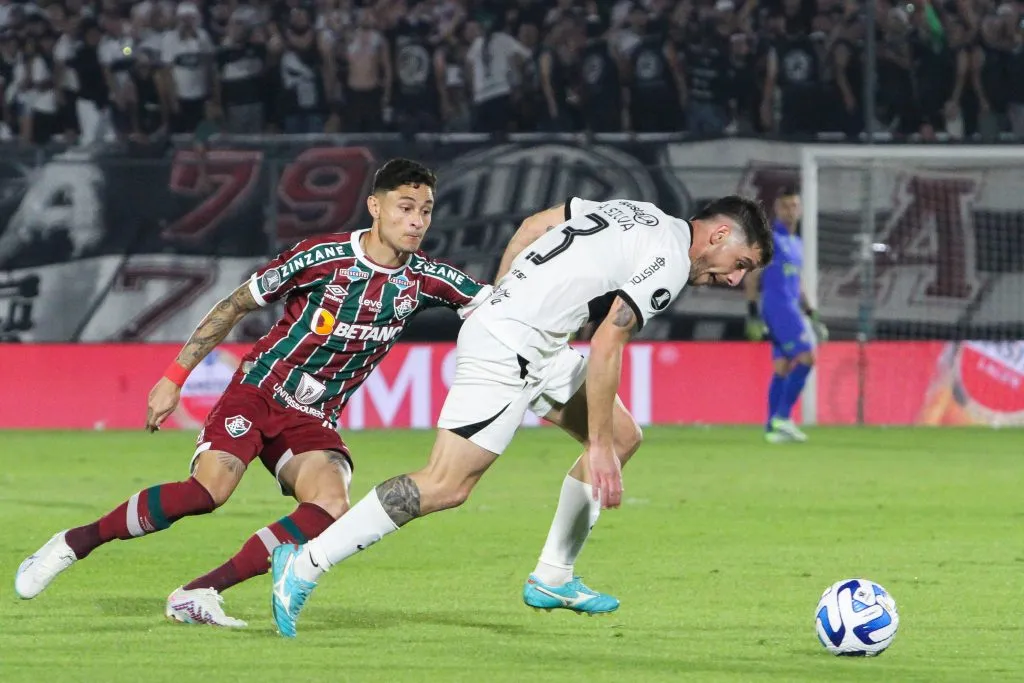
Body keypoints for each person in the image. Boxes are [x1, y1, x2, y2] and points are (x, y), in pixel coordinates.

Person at [269, 194, 774, 637]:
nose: (734, 278)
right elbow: (607, 343)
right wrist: (595, 446)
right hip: (509, 347)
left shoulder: (638, 213)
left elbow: (537, 224)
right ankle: (305, 562)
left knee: (624, 436)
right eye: (741, 263)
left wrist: (501, 293)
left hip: (538, 342)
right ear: (719, 234)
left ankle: (553, 576)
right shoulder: (670, 261)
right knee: (446, 484)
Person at [14, 159, 490, 627]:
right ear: (375, 206)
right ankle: (72, 543)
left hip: (313, 418)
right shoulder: (321, 257)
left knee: (331, 504)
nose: (416, 221)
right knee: (208, 491)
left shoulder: (427, 279)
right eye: (405, 207)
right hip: (260, 390)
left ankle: (199, 593)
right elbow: (234, 304)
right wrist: (174, 377)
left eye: (425, 210)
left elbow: (499, 304)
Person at [743, 187, 827, 443]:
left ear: (800, 209)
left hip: (791, 308)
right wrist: (752, 313)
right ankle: (783, 417)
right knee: (808, 357)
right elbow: (751, 275)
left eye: (794, 206)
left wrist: (810, 311)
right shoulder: (771, 239)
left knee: (782, 367)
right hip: (778, 308)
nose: (790, 211)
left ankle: (772, 428)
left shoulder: (796, 243)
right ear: (777, 209)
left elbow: (797, 280)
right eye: (785, 206)